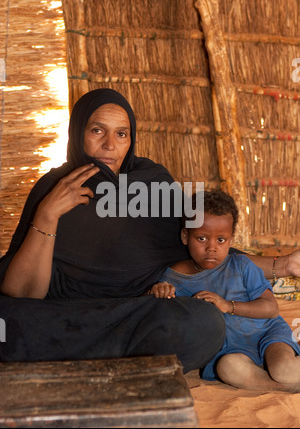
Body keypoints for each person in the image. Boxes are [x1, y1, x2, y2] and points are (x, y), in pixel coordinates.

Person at [0, 88, 226, 371]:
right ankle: (123, 362)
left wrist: (279, 265)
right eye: (97, 130)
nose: (109, 145)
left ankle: (74, 359)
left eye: (121, 134)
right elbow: (21, 294)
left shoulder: (153, 183)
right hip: (59, 314)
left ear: (131, 141)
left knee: (203, 321)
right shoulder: (54, 187)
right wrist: (48, 215)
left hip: (130, 314)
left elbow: (205, 247)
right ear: (78, 132)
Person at [150, 190, 300, 391]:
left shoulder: (242, 265)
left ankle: (283, 379)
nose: (211, 247)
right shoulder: (173, 278)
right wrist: (157, 292)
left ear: (230, 239)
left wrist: (228, 305)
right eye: (202, 238)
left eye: (221, 240)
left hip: (267, 334)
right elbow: (159, 315)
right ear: (186, 236)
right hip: (231, 350)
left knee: (283, 370)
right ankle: (288, 389)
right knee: (227, 369)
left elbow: (271, 309)